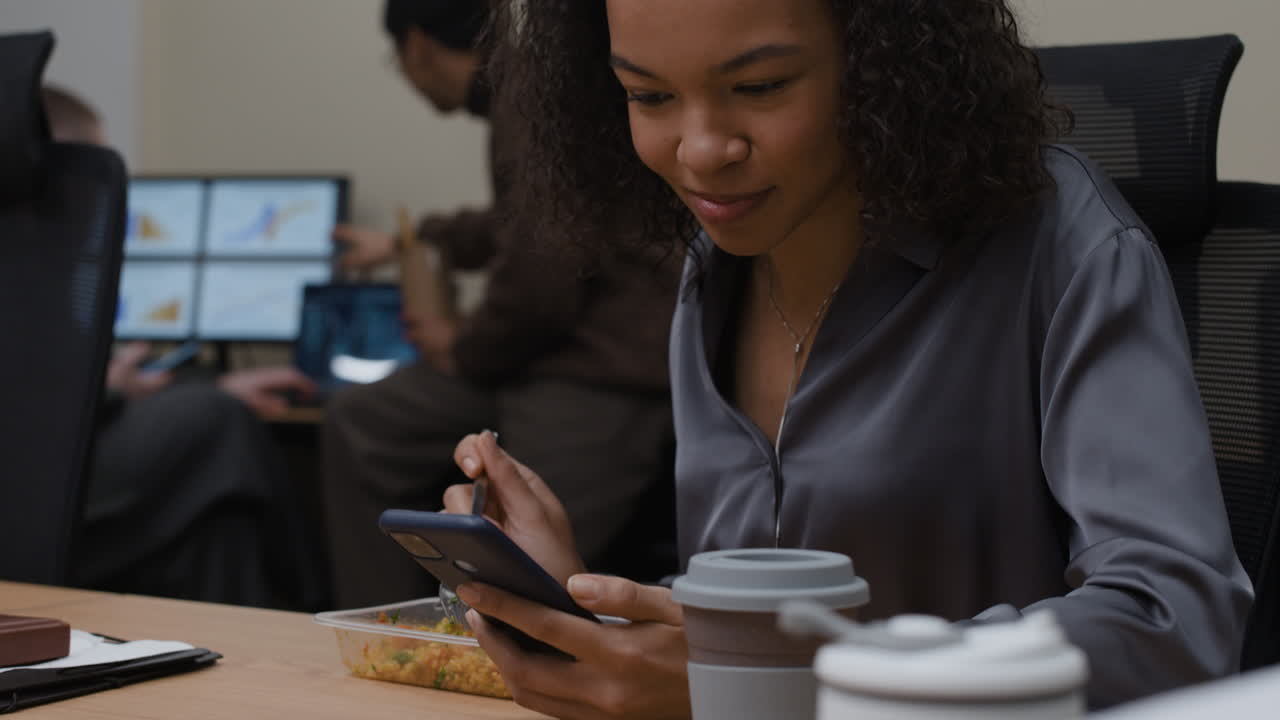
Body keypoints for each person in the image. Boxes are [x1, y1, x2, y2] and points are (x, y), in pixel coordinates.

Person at [439, 0, 1255, 717]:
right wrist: (575, 606)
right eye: (648, 95)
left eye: (759, 87)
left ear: (879, 64)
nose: (700, 150)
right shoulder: (712, 268)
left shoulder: (1062, 246)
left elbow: (1174, 622)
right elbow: (739, 640)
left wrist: (790, 688)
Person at [321, 0, 679, 609]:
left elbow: (541, 282)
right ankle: (387, 628)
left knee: (518, 574)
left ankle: (450, 643)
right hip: (553, 356)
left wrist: (459, 347)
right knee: (366, 420)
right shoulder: (535, 83)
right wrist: (417, 240)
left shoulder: (533, 88)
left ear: (417, 46)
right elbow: (531, 218)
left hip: (601, 370)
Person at [43, 85, 325, 609]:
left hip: (71, 457)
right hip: (43, 485)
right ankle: (311, 614)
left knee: (218, 516)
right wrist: (111, 387)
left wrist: (122, 383)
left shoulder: (44, 260)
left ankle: (239, 655)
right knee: (217, 424)